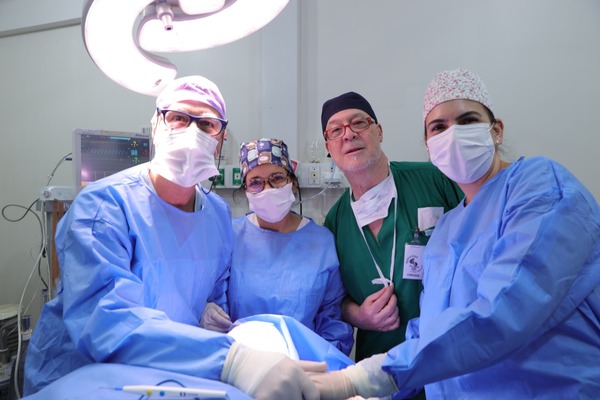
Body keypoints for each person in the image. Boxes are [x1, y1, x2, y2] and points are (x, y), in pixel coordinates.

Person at [307, 68, 600, 399]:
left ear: (496, 130)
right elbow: (429, 330)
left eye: (468, 120)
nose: (454, 135)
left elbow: (503, 312)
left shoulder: (539, 187)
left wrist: (364, 378)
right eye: (439, 127)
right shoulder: (447, 229)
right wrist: (376, 390)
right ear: (429, 145)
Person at [23, 75, 319, 400]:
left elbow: (213, 290)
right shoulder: (104, 205)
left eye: (206, 124)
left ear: (221, 139)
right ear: (156, 126)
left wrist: (210, 313)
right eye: (178, 118)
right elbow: (104, 323)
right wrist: (232, 361)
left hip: (170, 375)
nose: (192, 133)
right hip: (85, 377)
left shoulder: (217, 215)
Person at [321, 91, 463, 370]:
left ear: (379, 131)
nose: (348, 134)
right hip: (378, 369)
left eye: (358, 123)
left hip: (448, 359)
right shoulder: (335, 222)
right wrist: (359, 316)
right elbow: (333, 298)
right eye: (336, 130)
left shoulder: (435, 180)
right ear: (329, 147)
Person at [200, 138, 354, 356]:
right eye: (256, 182)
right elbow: (218, 306)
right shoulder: (230, 237)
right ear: (246, 190)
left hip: (303, 363)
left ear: (292, 182)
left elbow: (332, 319)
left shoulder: (321, 242)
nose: (268, 189)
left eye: (277, 178)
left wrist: (318, 366)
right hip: (241, 361)